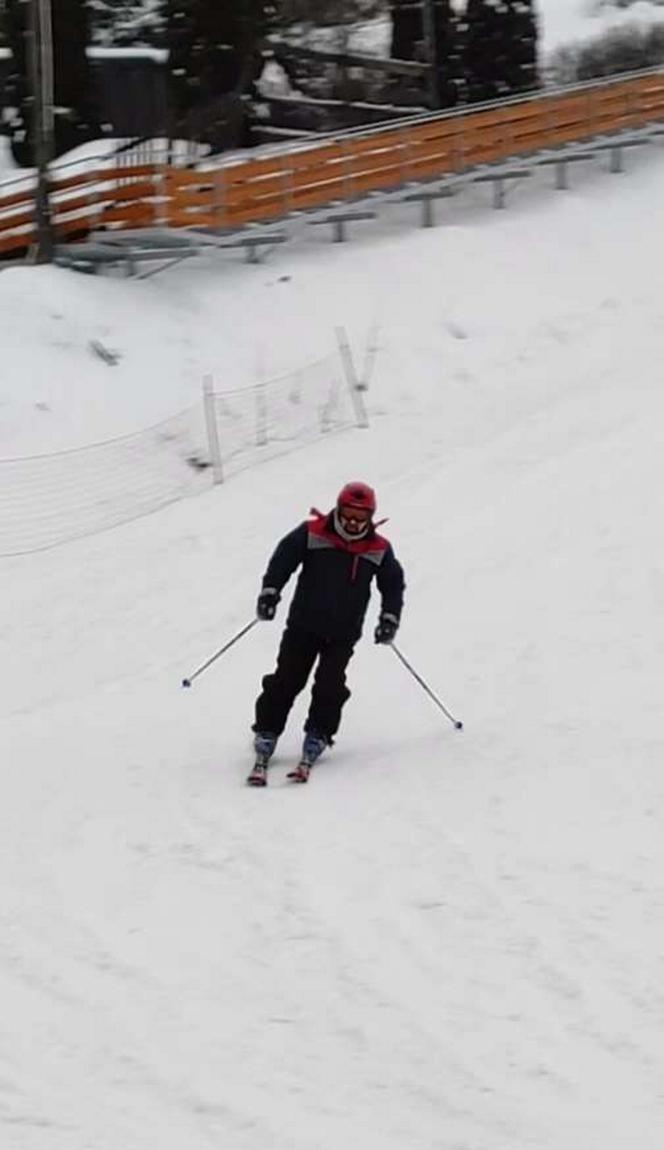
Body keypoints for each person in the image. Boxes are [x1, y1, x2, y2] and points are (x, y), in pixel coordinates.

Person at [250, 481, 405, 782]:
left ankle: (319, 732)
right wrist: (270, 592)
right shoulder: (312, 533)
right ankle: (267, 730)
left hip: (343, 632)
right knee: (287, 679)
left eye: (360, 516)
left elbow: (393, 584)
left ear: (371, 516)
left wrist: (389, 618)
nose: (352, 521)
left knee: (330, 685)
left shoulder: (378, 549)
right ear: (338, 508)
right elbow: (283, 559)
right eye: (348, 513)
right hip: (303, 625)